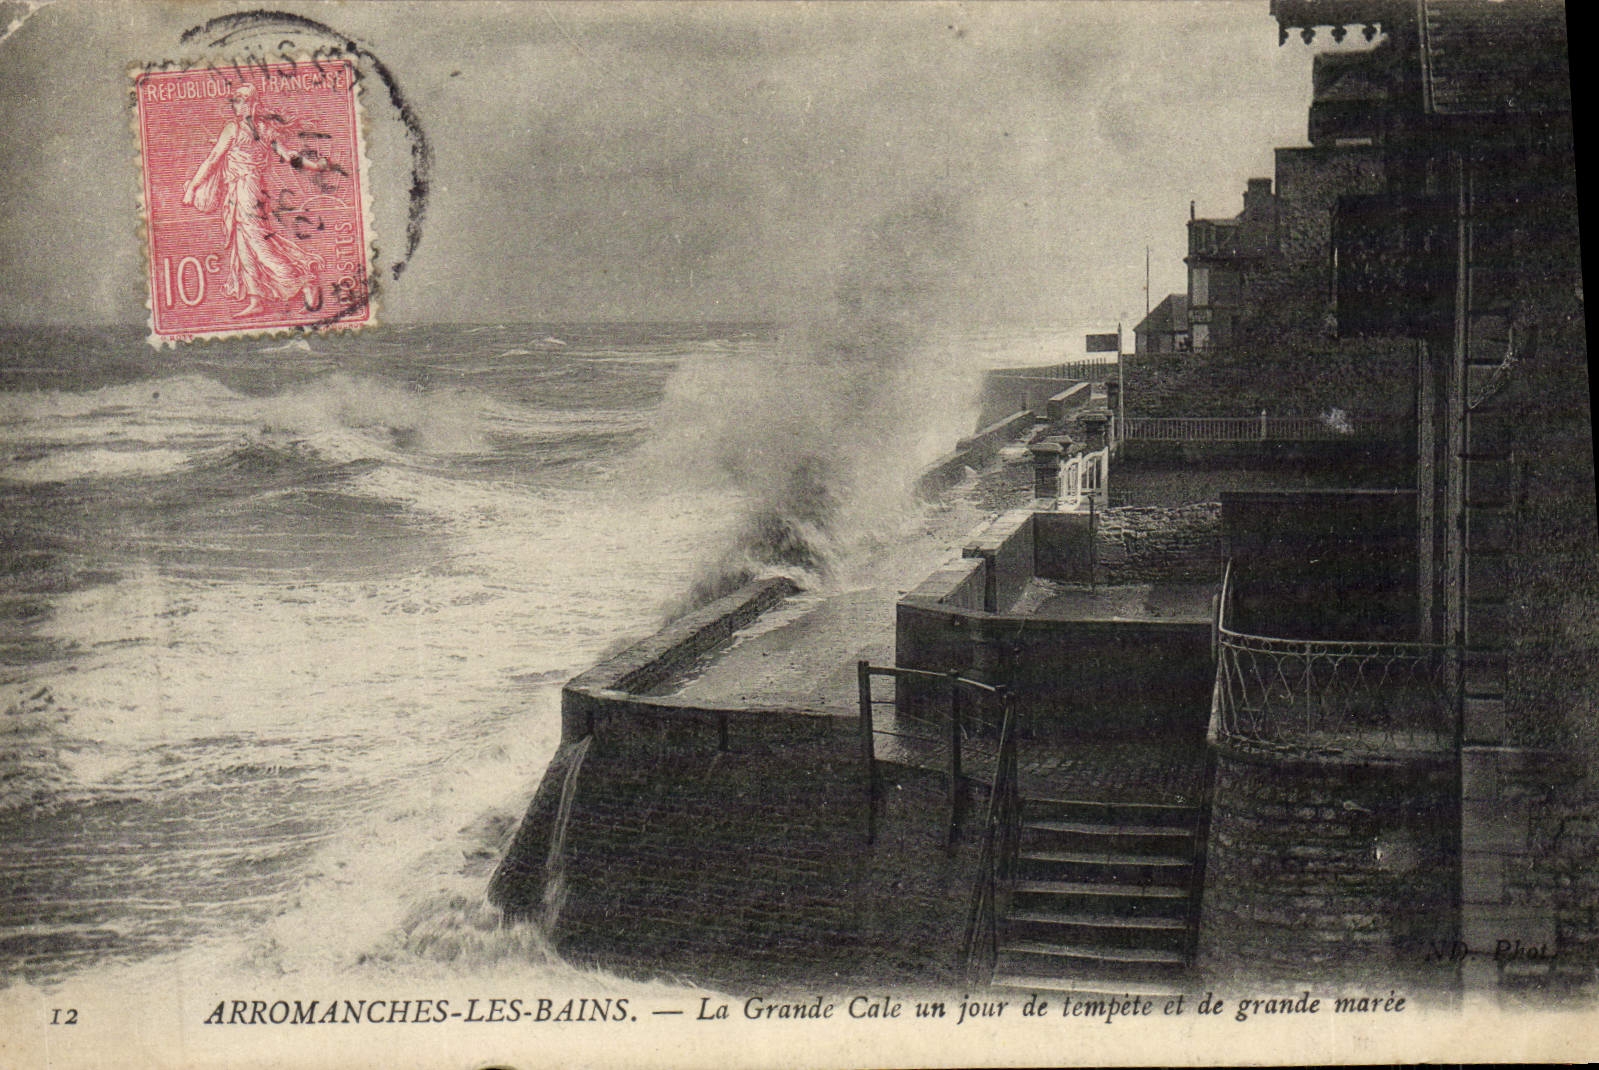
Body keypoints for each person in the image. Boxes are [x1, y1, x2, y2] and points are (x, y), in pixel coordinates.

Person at [181, 84, 327, 316]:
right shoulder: (259, 129)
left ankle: (305, 281)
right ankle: (256, 299)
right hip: (240, 192)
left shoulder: (239, 129)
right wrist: (315, 166)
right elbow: (288, 156)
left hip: (247, 191)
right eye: (235, 100)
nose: (237, 105)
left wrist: (193, 187)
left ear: (254, 104)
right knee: (244, 246)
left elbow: (213, 159)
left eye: (242, 100)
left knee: (259, 244)